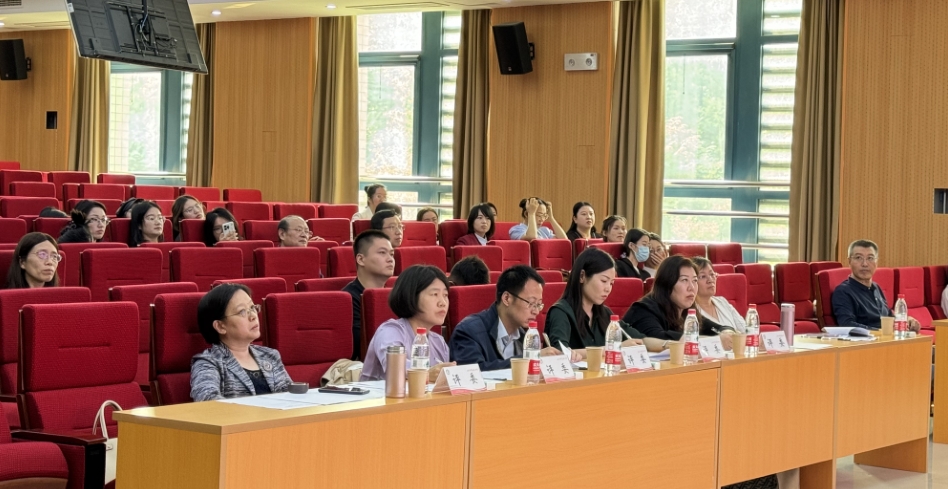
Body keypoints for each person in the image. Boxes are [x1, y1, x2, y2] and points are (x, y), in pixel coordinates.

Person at [449, 265, 574, 371]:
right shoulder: (469, 331)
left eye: (539, 304)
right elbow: (471, 373)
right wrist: (529, 359)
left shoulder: (526, 334)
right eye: (531, 303)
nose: (536, 311)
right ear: (507, 298)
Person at [546, 249, 664, 357]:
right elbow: (560, 352)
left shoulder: (605, 313)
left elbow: (640, 340)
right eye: (604, 281)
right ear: (582, 276)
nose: (608, 288)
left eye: (611, 283)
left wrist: (668, 345)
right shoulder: (561, 312)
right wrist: (615, 348)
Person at [190, 283, 293, 401]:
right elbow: (207, 400)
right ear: (220, 326)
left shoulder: (270, 356)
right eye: (242, 312)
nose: (253, 316)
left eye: (252, 308)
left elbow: (293, 398)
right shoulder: (208, 362)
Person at [360, 265, 455, 382]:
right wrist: (425, 374)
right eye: (434, 294)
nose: (443, 303)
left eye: (445, 295)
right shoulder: (390, 331)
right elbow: (394, 366)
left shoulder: (439, 342)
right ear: (412, 296)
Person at [622, 255, 719, 341]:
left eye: (695, 280)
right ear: (667, 284)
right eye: (684, 280)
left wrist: (725, 332)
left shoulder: (685, 309)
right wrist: (703, 339)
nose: (692, 288)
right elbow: (657, 337)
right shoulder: (644, 309)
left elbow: (714, 328)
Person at [832, 239, 921, 331]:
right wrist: (881, 331)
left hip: (887, 337)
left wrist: (907, 320)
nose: (865, 264)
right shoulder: (843, 291)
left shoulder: (876, 287)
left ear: (877, 262)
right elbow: (847, 325)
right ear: (849, 261)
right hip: (868, 339)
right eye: (858, 258)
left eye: (870, 258)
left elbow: (888, 316)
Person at [343, 230, 395, 360]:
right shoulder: (348, 299)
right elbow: (362, 344)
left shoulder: (396, 295)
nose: (390, 259)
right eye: (382, 253)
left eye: (391, 254)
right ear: (361, 259)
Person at [692, 257, 743, 347]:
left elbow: (745, 330)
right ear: (693, 282)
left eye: (712, 274)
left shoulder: (722, 302)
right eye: (703, 276)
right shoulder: (690, 311)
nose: (710, 280)